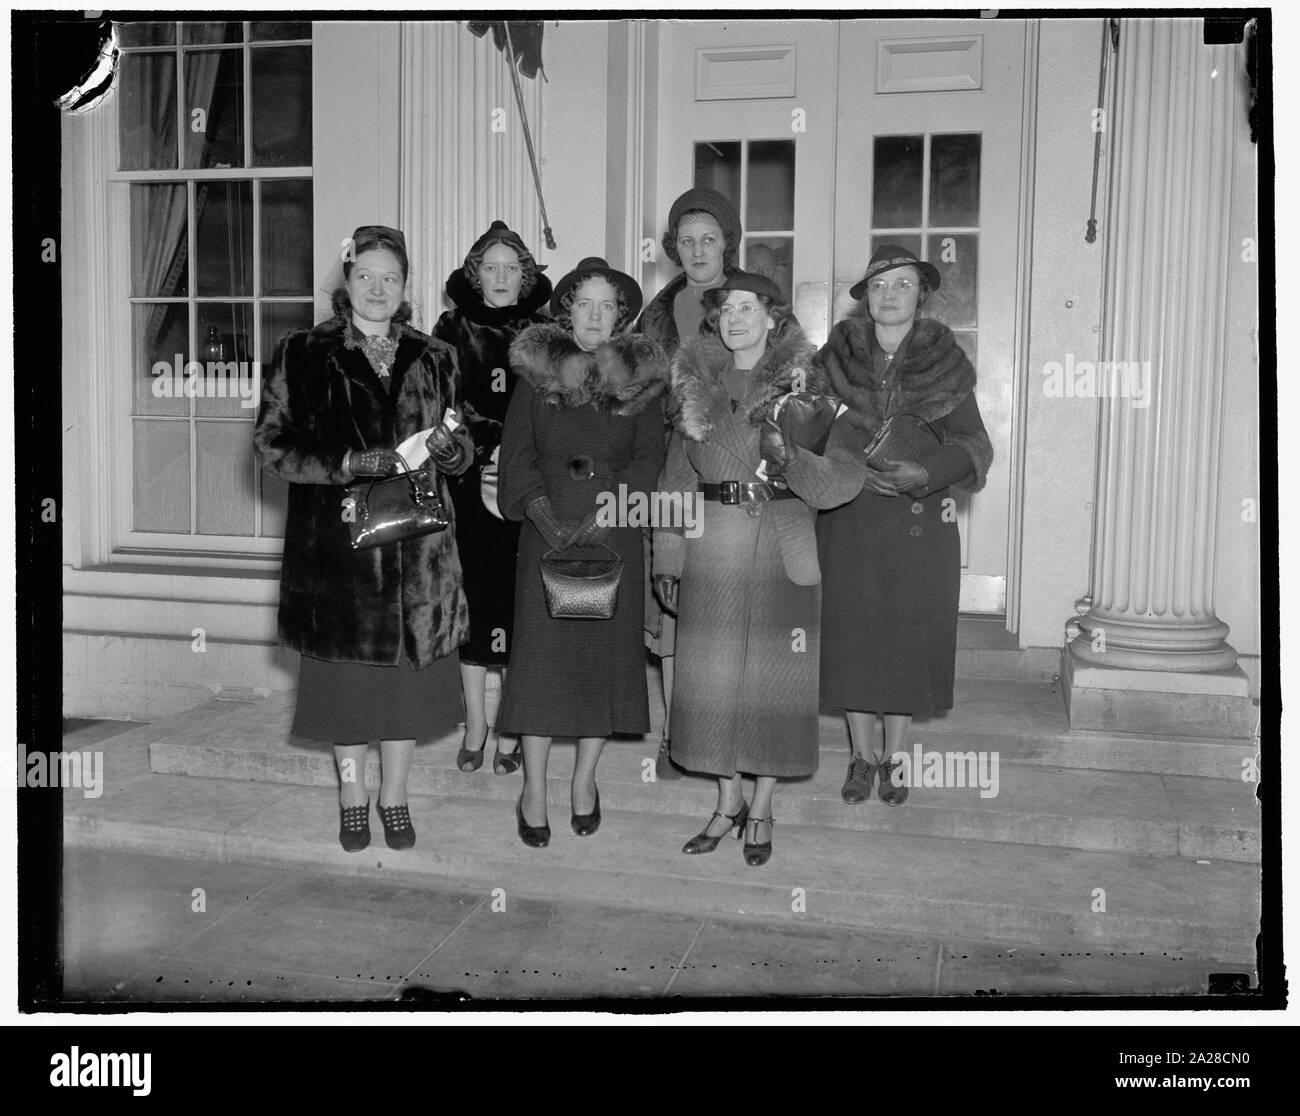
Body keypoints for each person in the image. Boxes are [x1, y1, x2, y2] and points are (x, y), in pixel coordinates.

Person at [253, 224, 475, 853]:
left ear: (406, 287)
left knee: (404, 693)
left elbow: (464, 438)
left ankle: (394, 799)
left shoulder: (436, 356)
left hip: (417, 556)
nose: (378, 289)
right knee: (347, 696)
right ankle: (353, 798)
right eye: (365, 276)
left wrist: (455, 449)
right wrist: (350, 464)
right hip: (337, 556)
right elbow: (273, 447)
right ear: (345, 282)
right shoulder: (301, 353)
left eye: (391, 278)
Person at [652, 272, 864, 866]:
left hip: (781, 543)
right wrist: (668, 554)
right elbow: (675, 477)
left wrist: (792, 457)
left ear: (774, 318)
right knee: (714, 682)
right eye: (726, 308)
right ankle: (728, 802)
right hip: (711, 546)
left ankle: (764, 805)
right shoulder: (695, 386)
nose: (736, 317)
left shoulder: (809, 388)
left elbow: (843, 478)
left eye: (749, 307)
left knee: (775, 682)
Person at [497, 257, 669, 847]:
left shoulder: (641, 381)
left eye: (607, 306)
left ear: (621, 316)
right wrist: (544, 515)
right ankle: (535, 789)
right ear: (566, 309)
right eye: (584, 303)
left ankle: (584, 782)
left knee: (600, 665)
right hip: (544, 532)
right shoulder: (535, 377)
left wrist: (609, 512)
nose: (594, 315)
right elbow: (515, 456)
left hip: (615, 532)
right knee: (540, 667)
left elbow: (650, 461)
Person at [816, 244, 993, 806]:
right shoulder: (833, 361)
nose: (889, 295)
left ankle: (895, 757)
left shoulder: (946, 363)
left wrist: (924, 472)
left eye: (902, 285)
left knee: (904, 643)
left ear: (921, 294)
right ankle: (860, 756)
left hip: (920, 522)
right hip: (850, 518)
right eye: (878, 286)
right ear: (865, 298)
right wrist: (842, 468)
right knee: (855, 641)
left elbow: (974, 446)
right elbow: (805, 437)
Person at [433, 221, 553, 777]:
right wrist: (485, 443)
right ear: (474, 274)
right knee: (476, 601)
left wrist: (522, 451)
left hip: (529, 482)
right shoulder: (451, 328)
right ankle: (476, 723)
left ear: (525, 274)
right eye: (491, 267)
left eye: (511, 268)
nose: (501, 277)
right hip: (468, 476)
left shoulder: (546, 330)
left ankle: (510, 724)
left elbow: (555, 405)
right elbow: (444, 403)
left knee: (518, 603)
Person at [635, 185, 742, 780]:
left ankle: (726, 735)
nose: (698, 249)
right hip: (671, 478)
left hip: (733, 476)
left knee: (729, 611)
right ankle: (675, 737)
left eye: (710, 238)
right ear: (674, 246)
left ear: (729, 243)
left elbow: (789, 386)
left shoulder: (757, 302)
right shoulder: (653, 314)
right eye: (687, 239)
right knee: (672, 606)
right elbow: (631, 397)